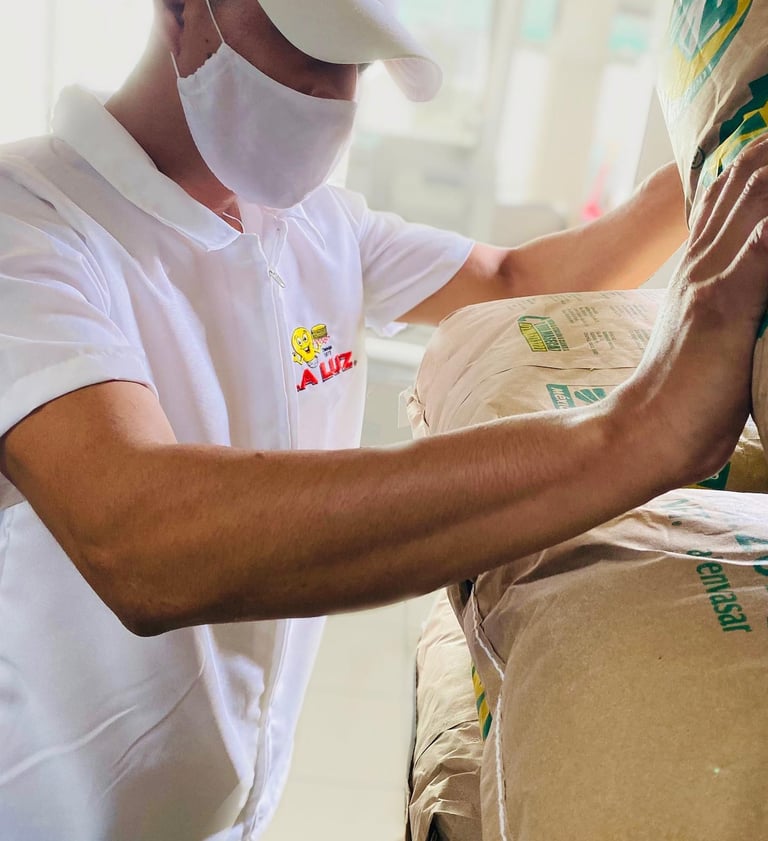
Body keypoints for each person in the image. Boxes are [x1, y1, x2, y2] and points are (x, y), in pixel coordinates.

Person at [0, 0, 767, 839]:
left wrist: (722, 153)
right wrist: (635, 434)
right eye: (308, 49)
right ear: (181, 9)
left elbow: (512, 281)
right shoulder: (29, 223)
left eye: (356, 65)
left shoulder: (317, 226)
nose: (332, 96)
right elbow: (141, 538)